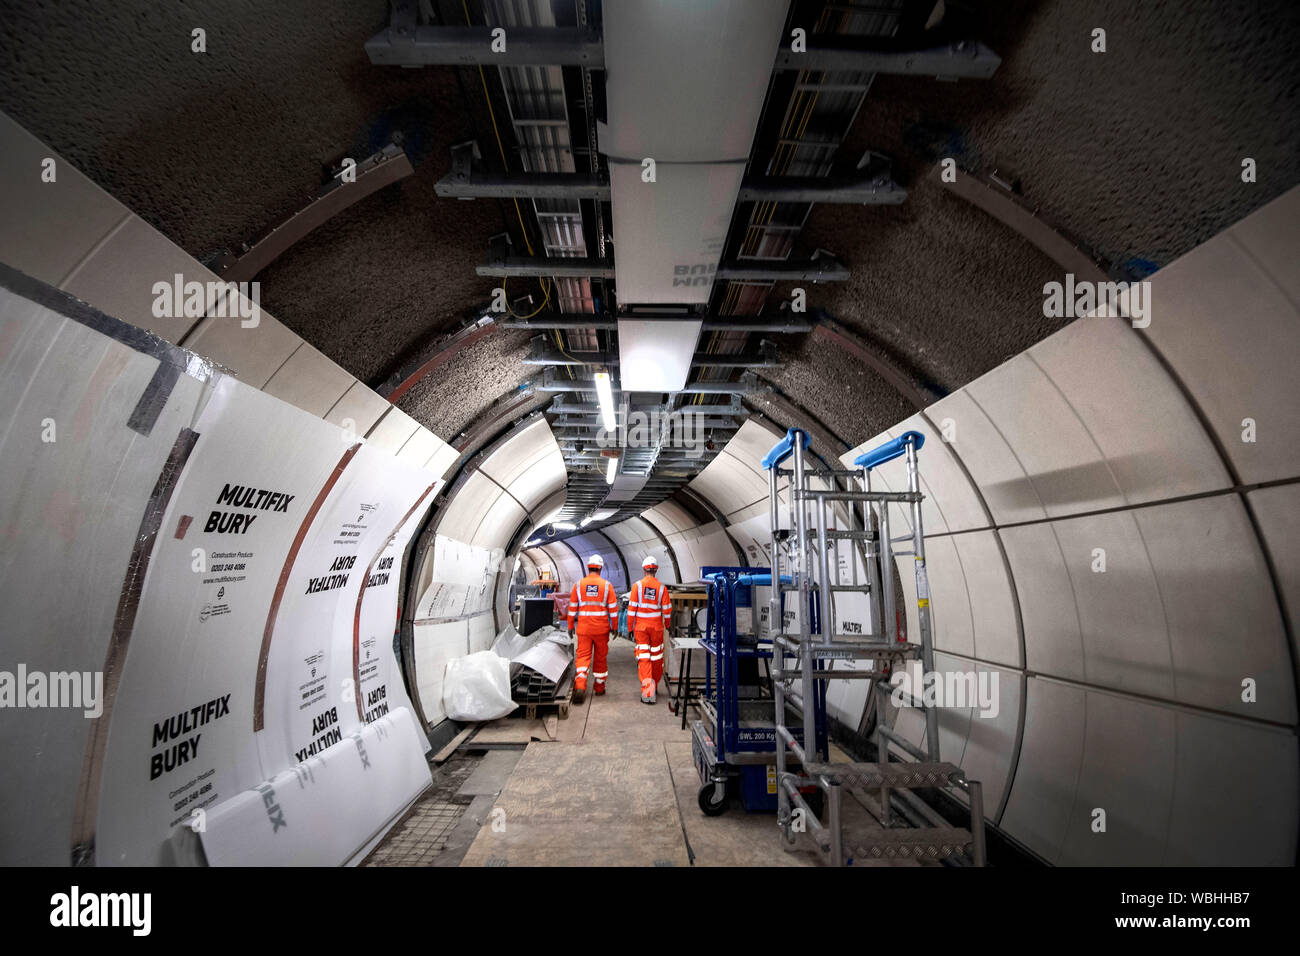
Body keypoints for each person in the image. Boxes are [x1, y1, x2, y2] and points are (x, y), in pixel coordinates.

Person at [566, 553, 618, 703]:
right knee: (600, 658)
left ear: (589, 568)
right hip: (601, 630)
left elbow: (572, 608)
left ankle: (580, 686)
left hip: (584, 629)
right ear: (600, 568)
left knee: (583, 657)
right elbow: (613, 610)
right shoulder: (607, 586)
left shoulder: (579, 585)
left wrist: (570, 625)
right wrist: (615, 627)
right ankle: (599, 688)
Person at [628, 555, 672, 704]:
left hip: (641, 628)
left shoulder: (637, 586)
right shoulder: (662, 588)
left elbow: (631, 609)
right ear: (656, 570)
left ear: (644, 569)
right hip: (657, 628)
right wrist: (668, 625)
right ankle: (654, 685)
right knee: (656, 658)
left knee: (645, 658)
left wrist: (629, 626)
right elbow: (667, 610)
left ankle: (648, 692)